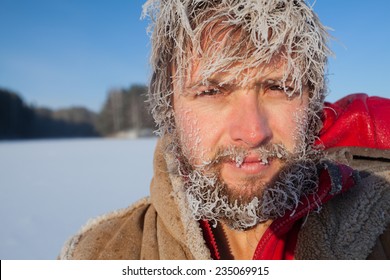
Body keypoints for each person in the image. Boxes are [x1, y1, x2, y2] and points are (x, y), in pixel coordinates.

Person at [59, 0, 390, 259]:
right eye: (212, 91)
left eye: (276, 87)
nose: (252, 131)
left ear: (311, 103)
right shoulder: (96, 255)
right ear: (169, 108)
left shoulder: (381, 231)